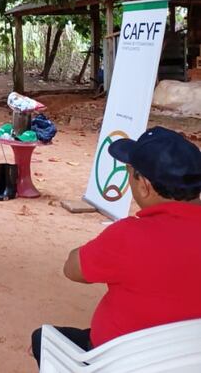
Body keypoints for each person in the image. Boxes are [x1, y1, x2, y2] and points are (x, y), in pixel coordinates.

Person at [30, 126, 201, 367]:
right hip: (188, 360)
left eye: (130, 172)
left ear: (145, 186)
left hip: (122, 363)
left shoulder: (130, 237)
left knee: (42, 339)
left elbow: (72, 268)